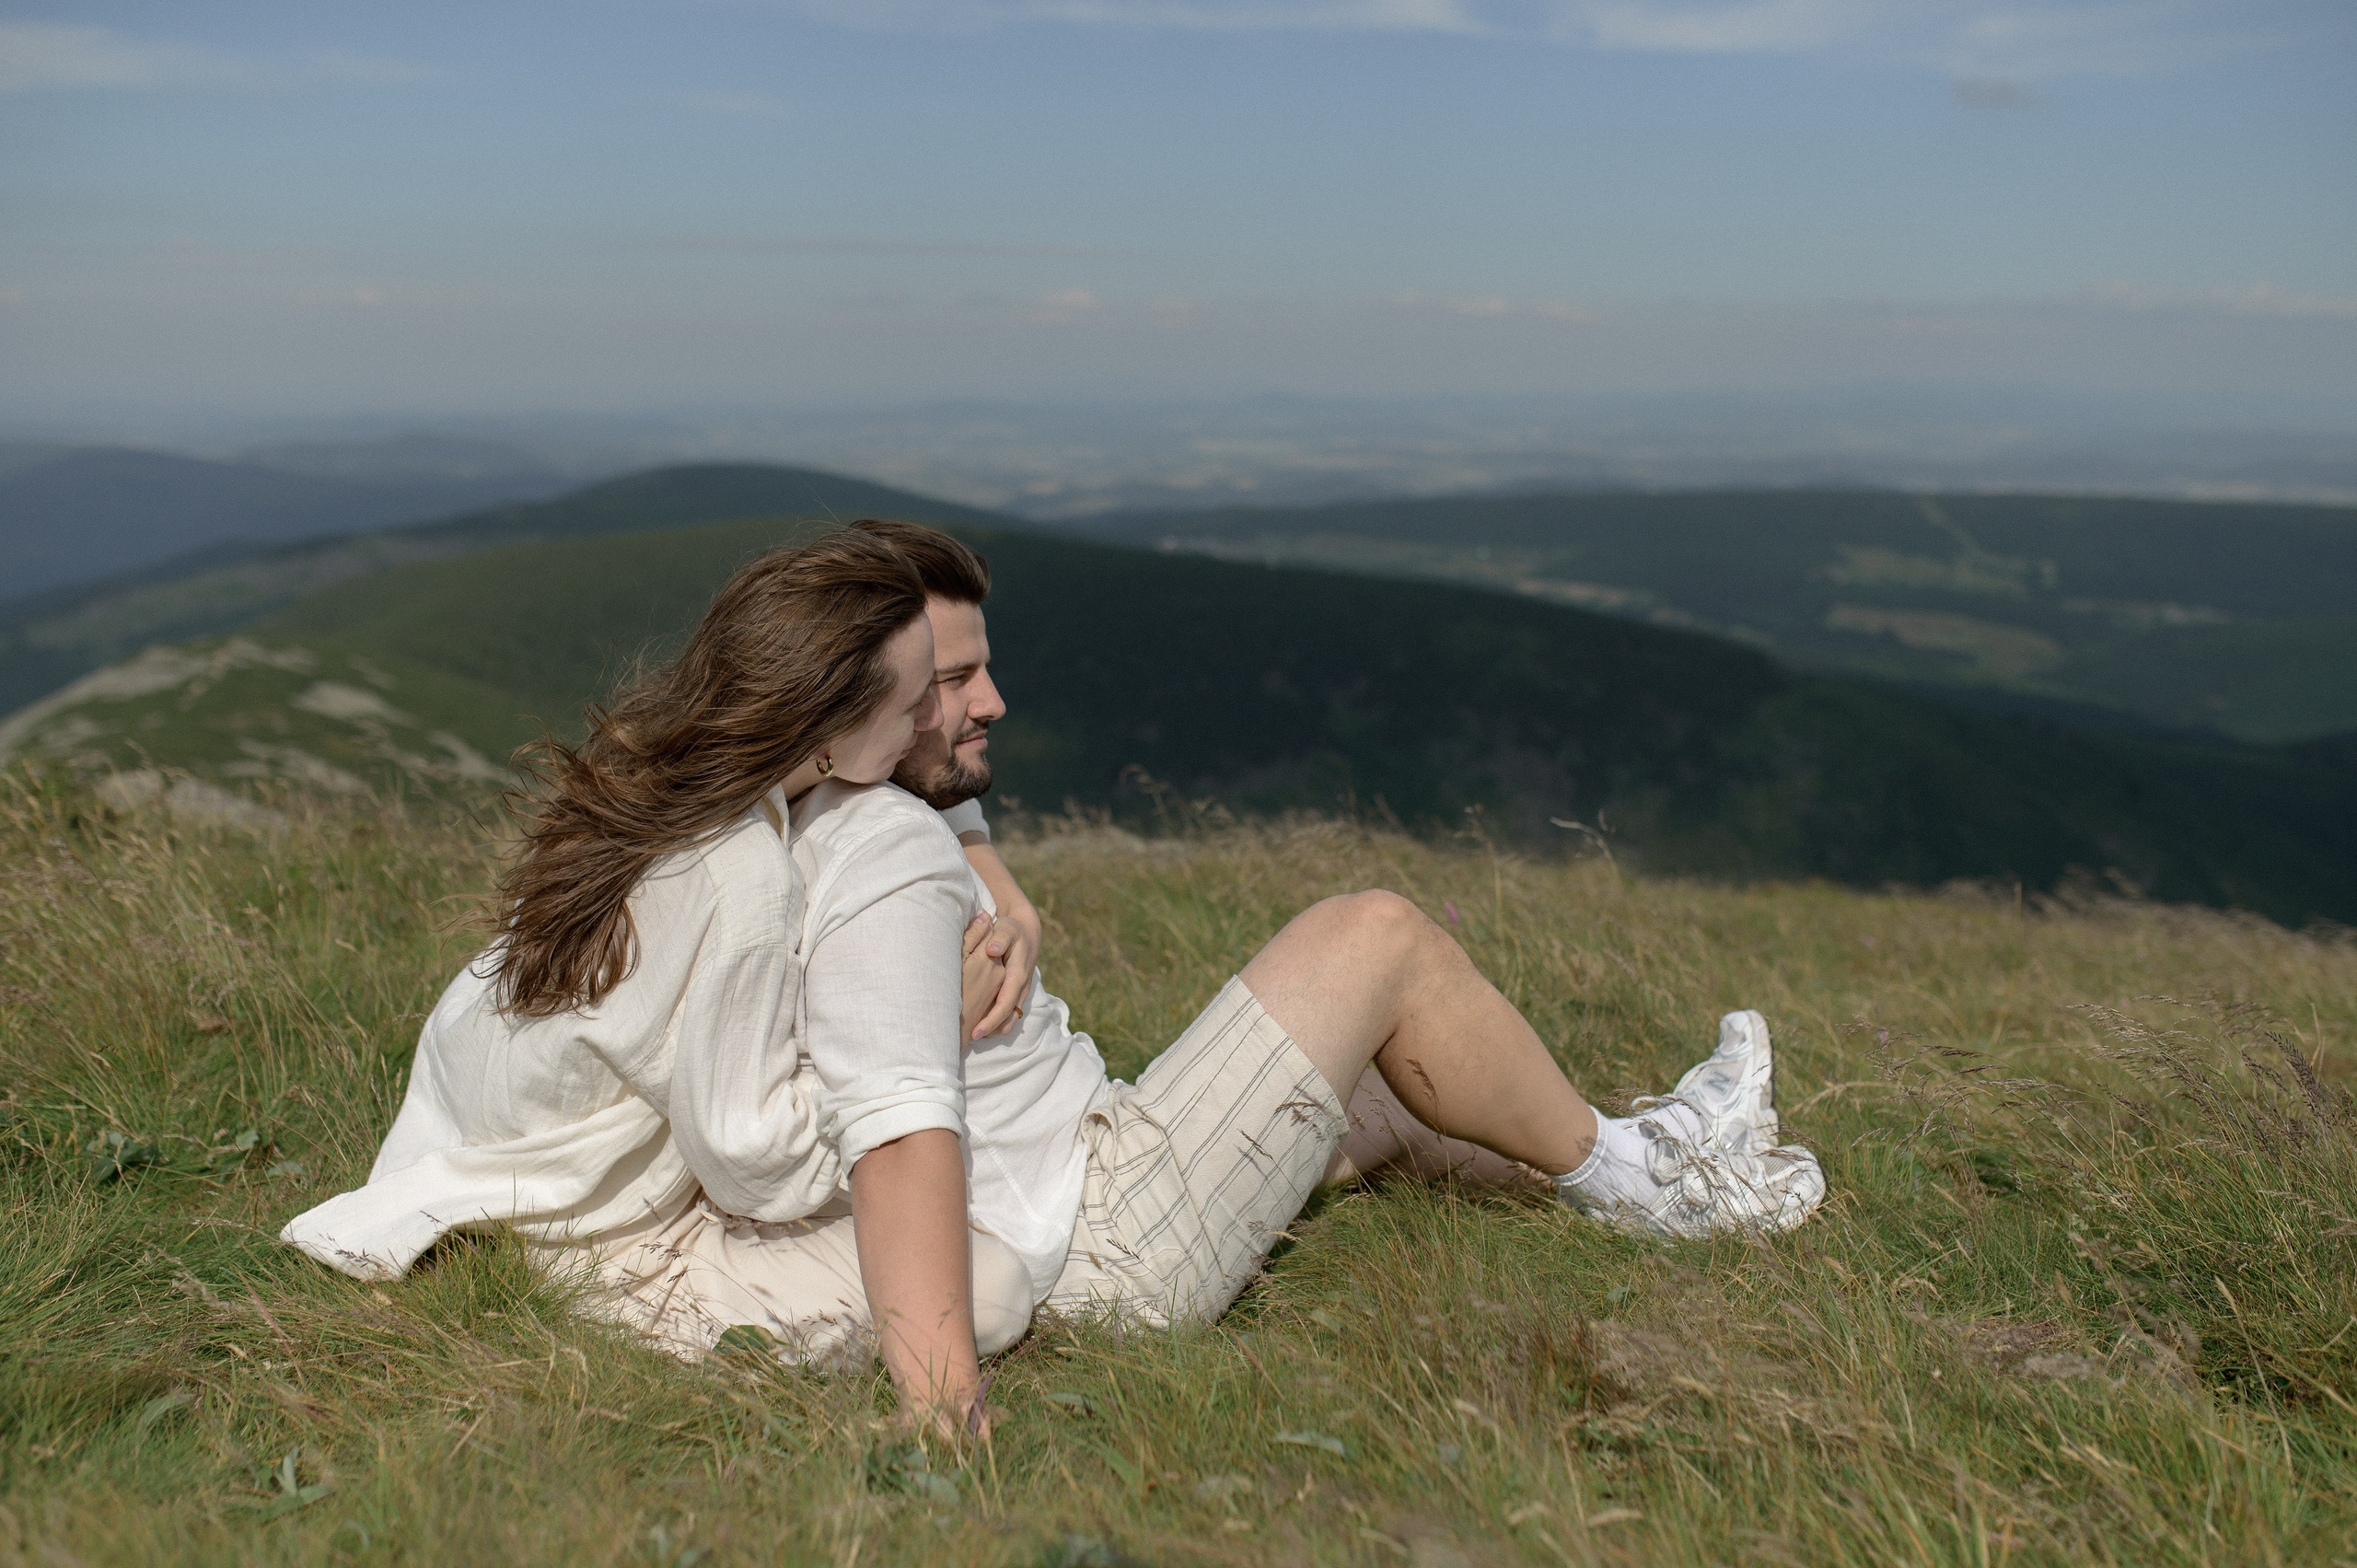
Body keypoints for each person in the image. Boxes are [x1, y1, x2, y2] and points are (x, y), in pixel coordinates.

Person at [284, 519, 1826, 1441]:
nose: (984, 706)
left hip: (1079, 1162)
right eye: (941, 687)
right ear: (842, 725)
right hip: (1100, 1223)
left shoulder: (708, 788)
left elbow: (894, 835)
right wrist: (940, 1410)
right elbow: (836, 1134)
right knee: (1377, 937)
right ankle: (1655, 1182)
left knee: (1381, 1099)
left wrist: (990, 867)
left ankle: (1641, 1152)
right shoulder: (848, 854)